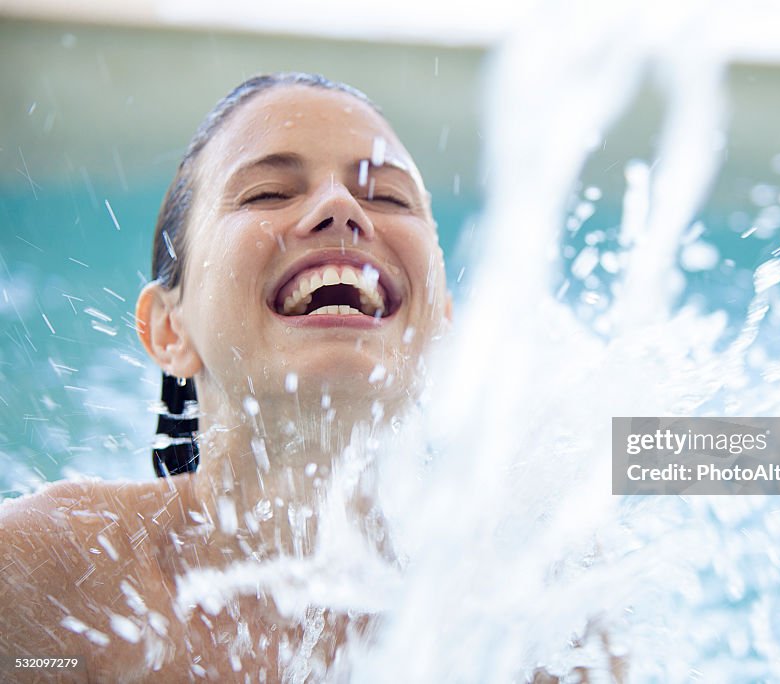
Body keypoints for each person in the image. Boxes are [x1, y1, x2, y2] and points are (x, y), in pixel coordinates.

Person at [0, 72, 452, 680]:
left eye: (389, 198)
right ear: (169, 331)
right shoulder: (54, 582)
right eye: (267, 192)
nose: (342, 208)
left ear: (443, 328)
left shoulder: (520, 586)